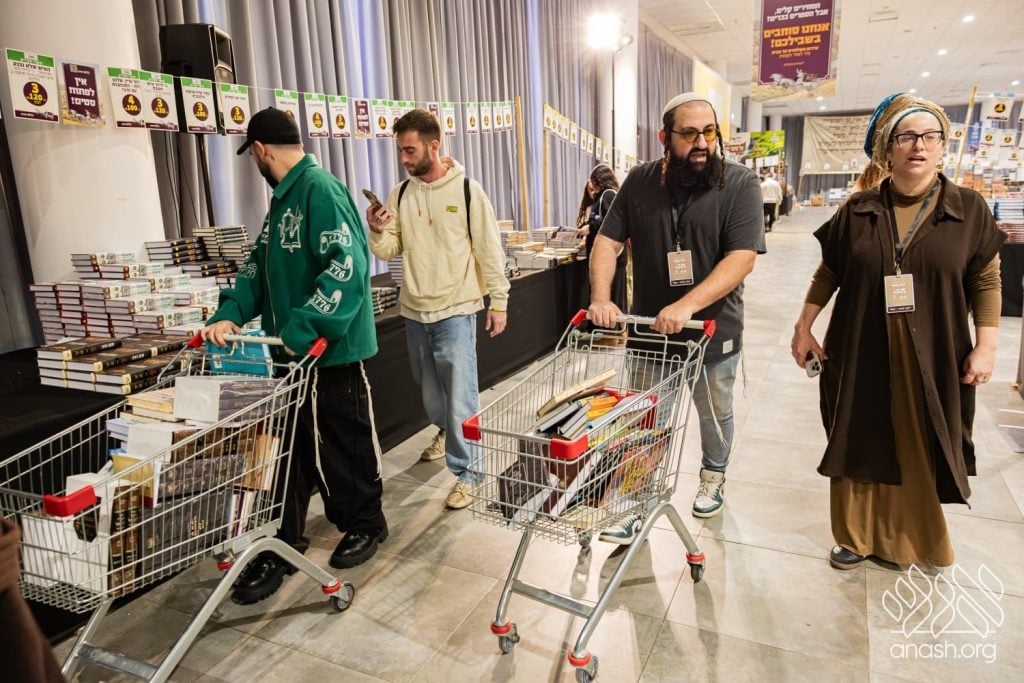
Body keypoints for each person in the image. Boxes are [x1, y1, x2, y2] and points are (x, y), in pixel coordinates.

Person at [790, 94, 1004, 570]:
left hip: (935, 349)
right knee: (857, 433)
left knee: (919, 439)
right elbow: (829, 270)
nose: (919, 146)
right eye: (907, 136)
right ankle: (854, 535)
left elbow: (986, 279)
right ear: (888, 149)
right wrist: (804, 326)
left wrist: (987, 345)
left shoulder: (967, 209)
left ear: (943, 146)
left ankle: (908, 540)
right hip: (860, 344)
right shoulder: (858, 208)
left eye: (930, 136)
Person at [202, 107, 386, 604]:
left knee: (344, 441)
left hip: (331, 350)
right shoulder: (282, 202)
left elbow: (348, 266)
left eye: (253, 156)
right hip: (288, 356)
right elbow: (256, 269)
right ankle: (282, 541)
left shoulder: (320, 190)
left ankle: (366, 522)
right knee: (287, 452)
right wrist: (231, 313)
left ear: (261, 150)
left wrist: (304, 327)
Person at [588, 92, 765, 541]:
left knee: (714, 412)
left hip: (712, 331)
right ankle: (637, 498)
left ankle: (713, 475)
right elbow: (607, 241)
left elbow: (742, 258)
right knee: (648, 419)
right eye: (689, 134)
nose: (702, 143)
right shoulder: (640, 182)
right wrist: (601, 297)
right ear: (664, 138)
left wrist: (687, 305)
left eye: (709, 132)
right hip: (651, 333)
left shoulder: (740, 184)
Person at [366, 108, 510, 510]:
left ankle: (469, 473)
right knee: (431, 395)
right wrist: (377, 230)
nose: (403, 158)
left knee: (461, 397)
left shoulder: (467, 191)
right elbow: (390, 248)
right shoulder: (401, 193)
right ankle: (446, 431)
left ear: (434, 145)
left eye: (410, 150)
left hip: (456, 310)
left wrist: (499, 300)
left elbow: (489, 249)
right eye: (400, 150)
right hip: (414, 311)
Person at [575, 164, 626, 312]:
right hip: (603, 257)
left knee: (611, 299)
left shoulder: (608, 195)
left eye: (593, 181)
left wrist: (590, 228)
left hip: (611, 258)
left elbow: (612, 223)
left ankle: (612, 326)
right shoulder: (600, 198)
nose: (591, 186)